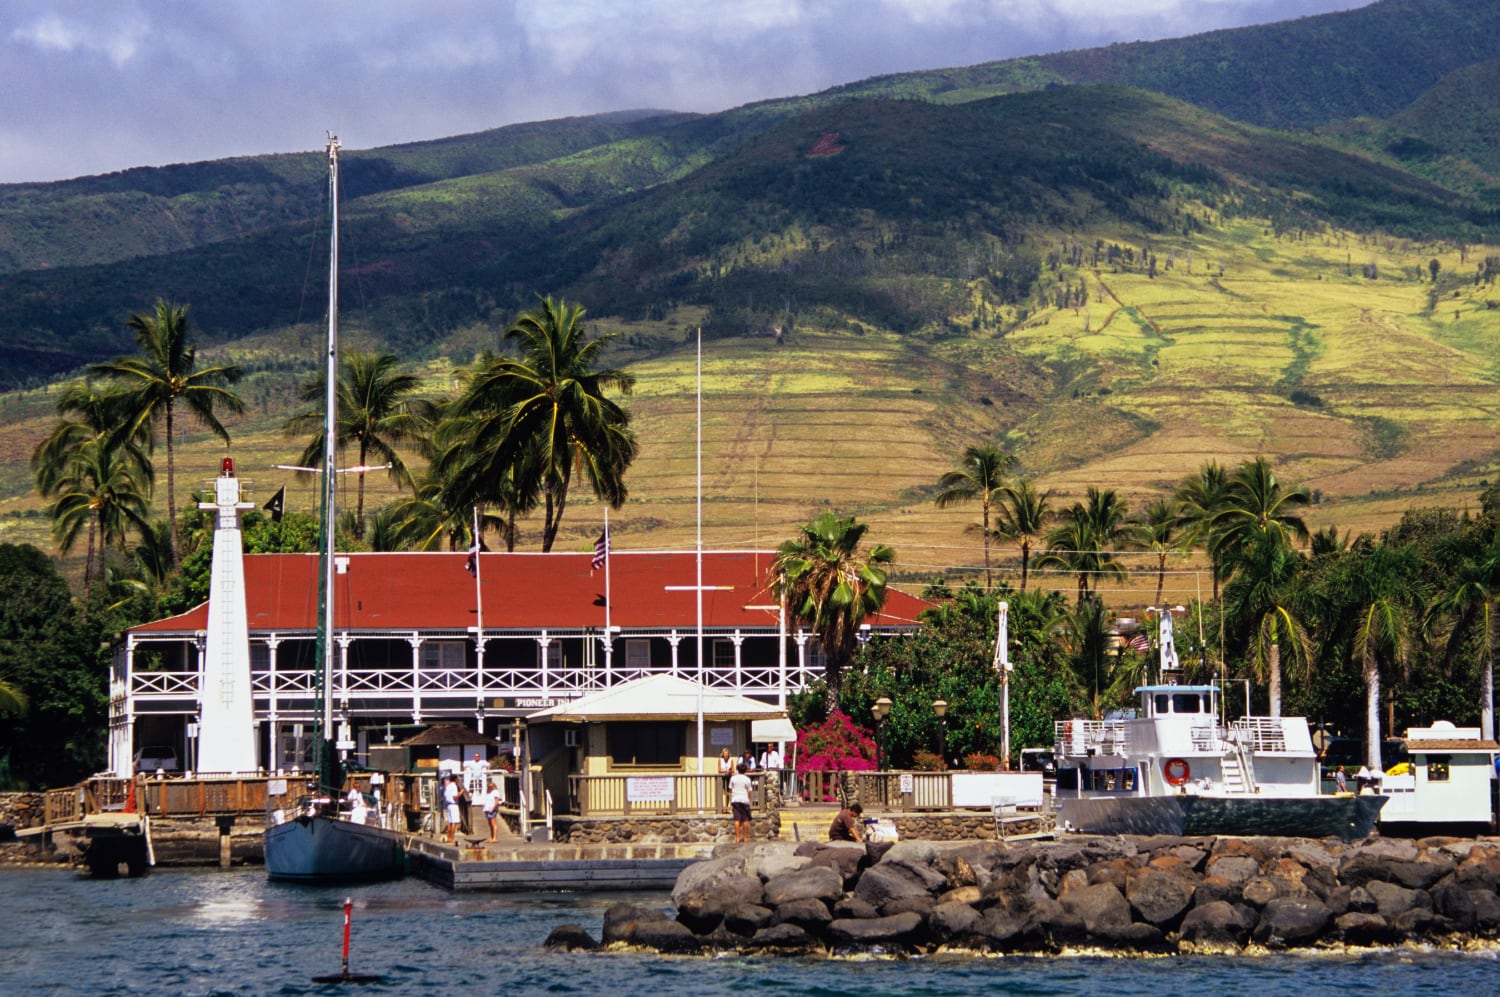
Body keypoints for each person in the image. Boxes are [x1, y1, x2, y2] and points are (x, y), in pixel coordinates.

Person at [729, 761, 754, 843]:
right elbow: (749, 791)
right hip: (744, 799)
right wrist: (748, 799)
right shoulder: (747, 779)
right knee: (745, 819)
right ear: (745, 770)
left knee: (737, 819)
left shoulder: (733, 778)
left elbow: (731, 789)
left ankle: (737, 838)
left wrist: (731, 798)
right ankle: (746, 837)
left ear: (737, 770)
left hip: (735, 799)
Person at [442, 773, 461, 843]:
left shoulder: (448, 786)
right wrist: (461, 793)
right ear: (455, 779)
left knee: (450, 822)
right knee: (454, 822)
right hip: (454, 805)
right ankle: (452, 838)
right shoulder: (454, 786)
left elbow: (446, 796)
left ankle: (448, 837)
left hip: (448, 805)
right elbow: (455, 797)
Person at [481, 779, 501, 843]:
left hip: (492, 809)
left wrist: (492, 809)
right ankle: (491, 837)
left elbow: (496, 802)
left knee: (493, 824)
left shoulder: (495, 792)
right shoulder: (488, 792)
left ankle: (494, 838)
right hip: (487, 809)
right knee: (490, 824)